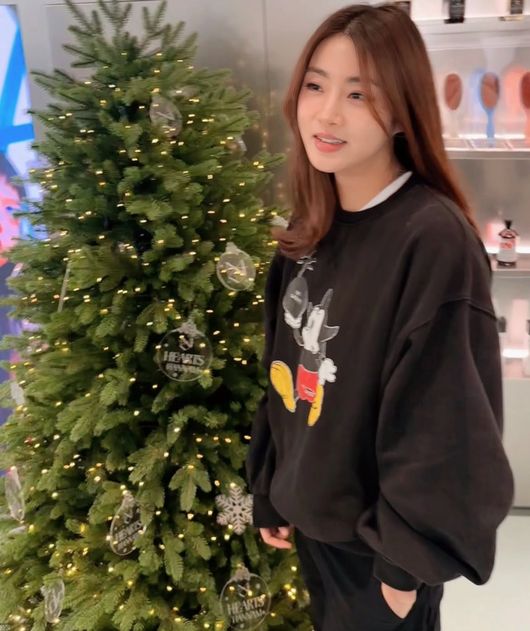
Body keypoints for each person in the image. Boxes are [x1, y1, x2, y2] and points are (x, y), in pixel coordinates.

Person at [245, 4, 515, 631]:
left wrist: (404, 561)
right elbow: (284, 371)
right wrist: (272, 485)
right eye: (315, 86)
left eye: (358, 94)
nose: (327, 114)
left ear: (400, 111)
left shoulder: (432, 239)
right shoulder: (312, 227)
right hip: (317, 528)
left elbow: (444, 417)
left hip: (379, 554)